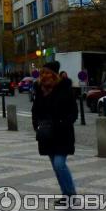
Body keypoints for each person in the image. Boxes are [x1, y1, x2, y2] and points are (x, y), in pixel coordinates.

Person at [32, 61, 78, 203]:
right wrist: (36, 125)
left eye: (47, 73)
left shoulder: (65, 89)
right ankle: (65, 194)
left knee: (59, 164)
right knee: (56, 167)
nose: (45, 76)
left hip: (62, 133)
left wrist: (63, 123)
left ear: (54, 74)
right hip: (47, 134)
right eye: (43, 73)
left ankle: (70, 193)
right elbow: (35, 110)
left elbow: (74, 112)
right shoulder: (39, 90)